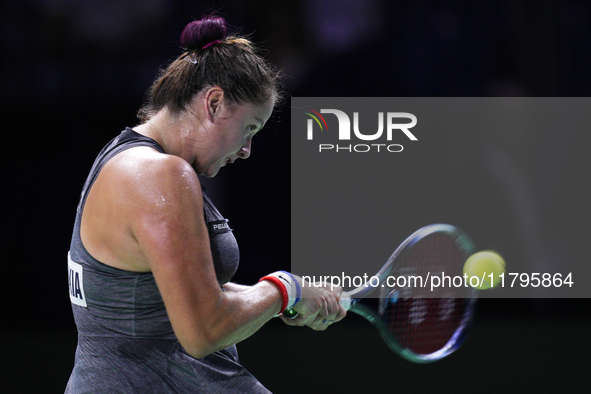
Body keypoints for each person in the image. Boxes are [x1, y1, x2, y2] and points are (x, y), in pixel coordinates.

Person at [65, 15, 346, 393]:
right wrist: (284, 288)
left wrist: (289, 298)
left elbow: (165, 299)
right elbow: (203, 330)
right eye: (249, 128)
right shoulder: (160, 175)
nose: (246, 150)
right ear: (213, 102)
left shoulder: (127, 161)